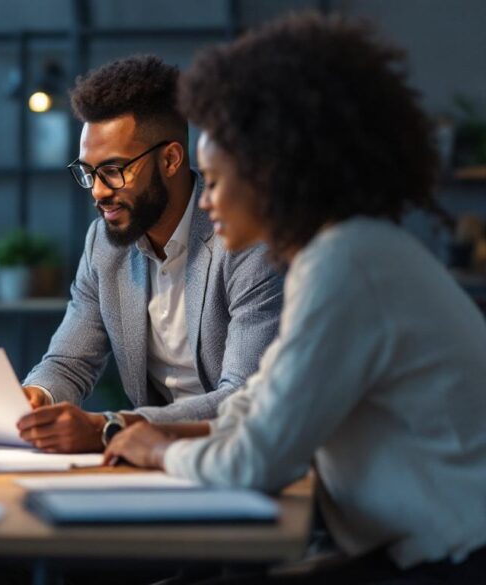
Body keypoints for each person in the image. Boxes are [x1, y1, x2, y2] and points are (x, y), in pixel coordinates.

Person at [103, 13, 486, 584]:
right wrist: (153, 434)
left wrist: (158, 452)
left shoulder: (347, 264)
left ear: (271, 173)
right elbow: (259, 403)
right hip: (424, 544)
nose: (204, 201)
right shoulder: (348, 251)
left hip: (450, 558)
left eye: (216, 180)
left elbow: (255, 461)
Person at [15, 55, 283, 454]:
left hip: (237, 455)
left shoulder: (245, 240)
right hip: (155, 459)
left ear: (171, 159)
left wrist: (113, 425)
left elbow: (243, 397)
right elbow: (69, 362)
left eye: (113, 170)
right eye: (88, 172)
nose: (98, 191)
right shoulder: (104, 243)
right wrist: (36, 397)